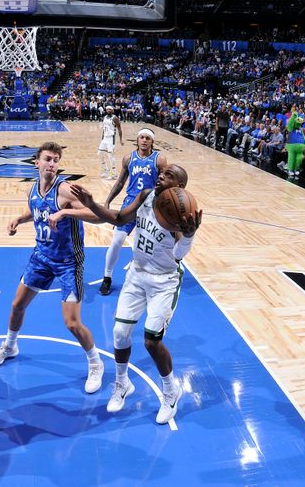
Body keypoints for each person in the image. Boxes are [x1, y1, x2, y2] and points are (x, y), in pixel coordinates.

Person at [70, 164, 201, 422]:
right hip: (137, 274)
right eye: (162, 172)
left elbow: (177, 256)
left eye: (169, 175)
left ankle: (171, 392)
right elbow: (119, 219)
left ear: (180, 188)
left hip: (164, 281)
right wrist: (92, 204)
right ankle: (122, 384)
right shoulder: (145, 196)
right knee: (119, 333)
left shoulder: (180, 213)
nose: (161, 174)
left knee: (152, 341)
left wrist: (188, 237)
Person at [0, 142, 105, 394]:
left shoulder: (66, 190)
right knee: (17, 305)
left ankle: (96, 363)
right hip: (41, 257)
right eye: (48, 159)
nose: (52, 164)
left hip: (68, 262)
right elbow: (36, 210)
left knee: (72, 323)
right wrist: (19, 218)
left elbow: (97, 214)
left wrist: (65, 214)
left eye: (56, 160)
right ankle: (10, 346)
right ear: (36, 163)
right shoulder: (33, 188)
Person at [99, 128, 167, 296]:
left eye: (147, 138)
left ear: (152, 141)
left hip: (151, 205)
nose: (144, 140)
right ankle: (107, 277)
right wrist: (108, 200)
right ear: (137, 139)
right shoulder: (129, 158)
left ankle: (153, 278)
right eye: (141, 137)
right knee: (116, 241)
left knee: (150, 245)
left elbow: (166, 184)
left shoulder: (159, 159)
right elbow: (120, 183)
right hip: (130, 204)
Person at [98, 106, 124, 180]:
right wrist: (102, 137)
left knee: (110, 156)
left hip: (111, 138)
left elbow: (119, 129)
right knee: (99, 153)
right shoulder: (105, 117)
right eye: (107, 109)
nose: (108, 110)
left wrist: (121, 139)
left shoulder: (115, 118)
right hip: (105, 138)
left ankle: (114, 174)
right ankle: (106, 169)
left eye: (110, 109)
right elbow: (104, 128)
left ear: (112, 110)